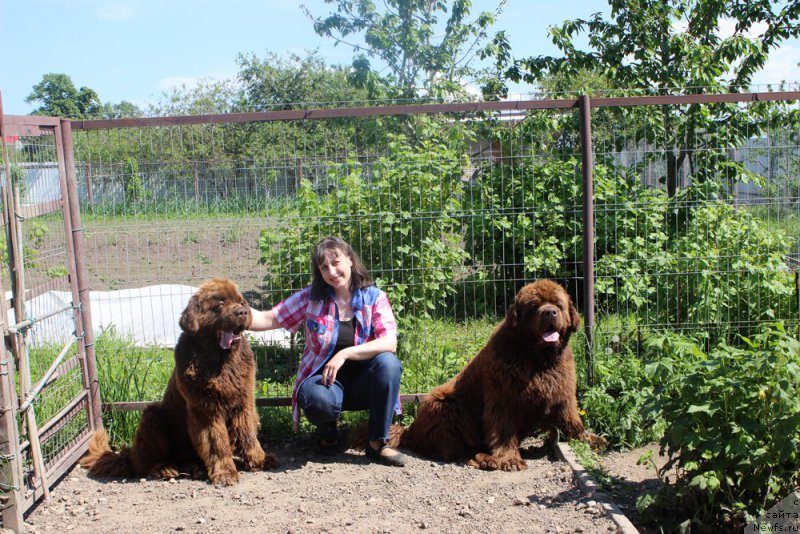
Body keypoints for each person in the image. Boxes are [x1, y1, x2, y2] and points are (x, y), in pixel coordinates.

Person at [249, 236, 407, 467]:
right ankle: (329, 437)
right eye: (324, 267)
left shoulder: (375, 298)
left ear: (350, 260)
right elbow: (268, 318)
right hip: (325, 384)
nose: (332, 272)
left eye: (336, 262)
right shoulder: (311, 298)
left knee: (389, 363)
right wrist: (233, 311)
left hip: (365, 384)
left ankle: (377, 443)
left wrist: (345, 354)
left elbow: (389, 342)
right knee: (318, 399)